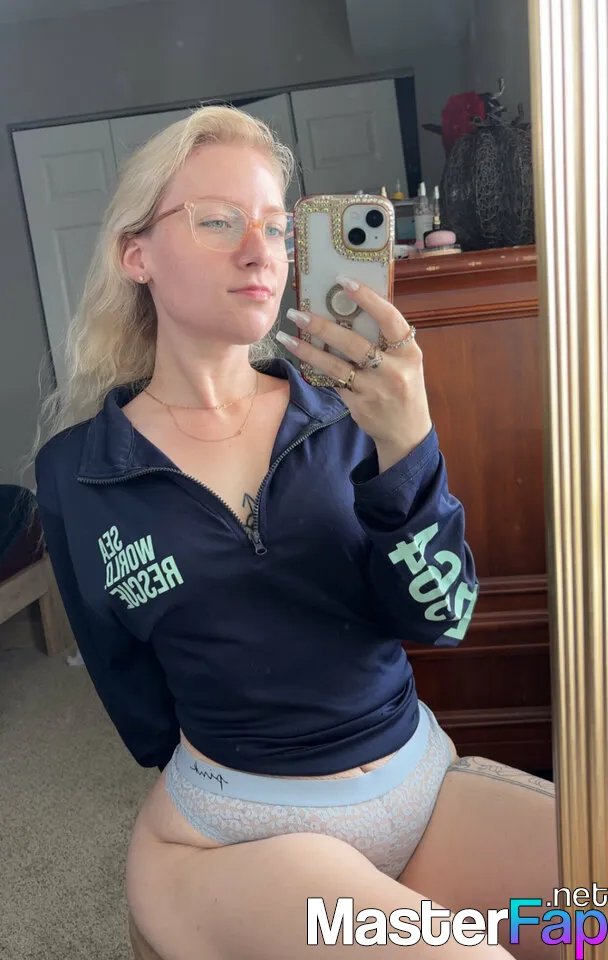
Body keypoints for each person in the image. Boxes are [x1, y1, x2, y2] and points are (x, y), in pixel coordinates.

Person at [33, 105, 557, 960]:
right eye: (218, 221)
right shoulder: (79, 472)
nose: (261, 252)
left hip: (418, 790)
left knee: (590, 919)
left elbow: (444, 617)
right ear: (137, 255)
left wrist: (409, 447)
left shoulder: (350, 416)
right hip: (238, 834)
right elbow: (130, 693)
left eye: (277, 227)